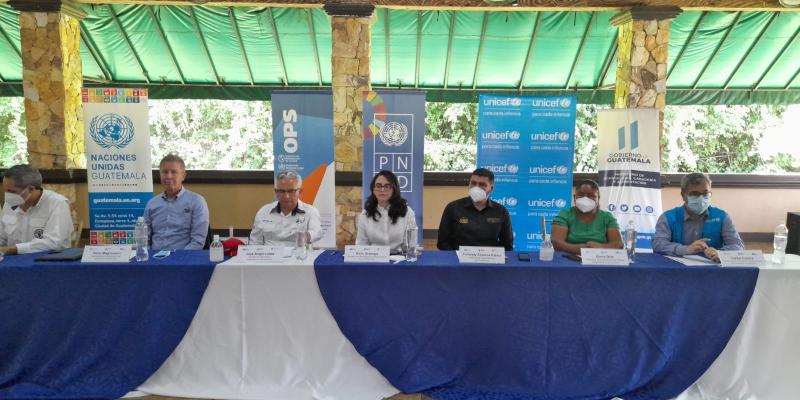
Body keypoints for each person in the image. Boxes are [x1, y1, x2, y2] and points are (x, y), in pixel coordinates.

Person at [653, 172, 743, 260]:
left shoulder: (722, 217)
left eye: (705, 193)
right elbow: (658, 244)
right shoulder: (668, 218)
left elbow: (737, 246)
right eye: (694, 194)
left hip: (713, 269)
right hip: (677, 269)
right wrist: (686, 249)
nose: (701, 198)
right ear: (683, 195)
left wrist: (721, 253)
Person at [0, 164, 73, 254]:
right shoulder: (10, 204)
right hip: (13, 263)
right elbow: (2, 237)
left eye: (12, 191)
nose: (7, 196)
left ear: (31, 189)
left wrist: (11, 249)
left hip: (48, 263)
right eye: (5, 190)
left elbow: (53, 242)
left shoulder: (57, 203)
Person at [437, 168, 513, 250]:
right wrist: (455, 258)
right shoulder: (453, 208)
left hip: (490, 260)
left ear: (491, 189)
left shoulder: (501, 211)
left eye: (482, 184)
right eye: (473, 183)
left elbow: (507, 245)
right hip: (458, 259)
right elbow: (442, 242)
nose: (476, 188)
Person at [249, 170, 322, 246]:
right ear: (276, 192)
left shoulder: (310, 211)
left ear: (300, 192)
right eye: (281, 191)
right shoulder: (264, 211)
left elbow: (317, 232)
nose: (286, 196)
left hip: (298, 255)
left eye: (291, 191)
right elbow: (255, 241)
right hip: (271, 256)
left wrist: (305, 236)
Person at [551, 179, 623, 254]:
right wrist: (576, 249)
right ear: (574, 197)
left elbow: (618, 244)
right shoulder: (565, 214)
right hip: (569, 258)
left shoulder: (607, 217)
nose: (585, 198)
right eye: (581, 194)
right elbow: (556, 242)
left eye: (591, 195)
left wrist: (600, 247)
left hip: (600, 258)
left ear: (598, 198)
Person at [356, 170, 417, 253]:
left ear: (394, 189)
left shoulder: (407, 212)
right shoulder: (365, 214)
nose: (382, 189)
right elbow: (361, 244)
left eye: (387, 186)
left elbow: (411, 244)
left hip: (399, 259)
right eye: (378, 186)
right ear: (373, 190)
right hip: (373, 260)